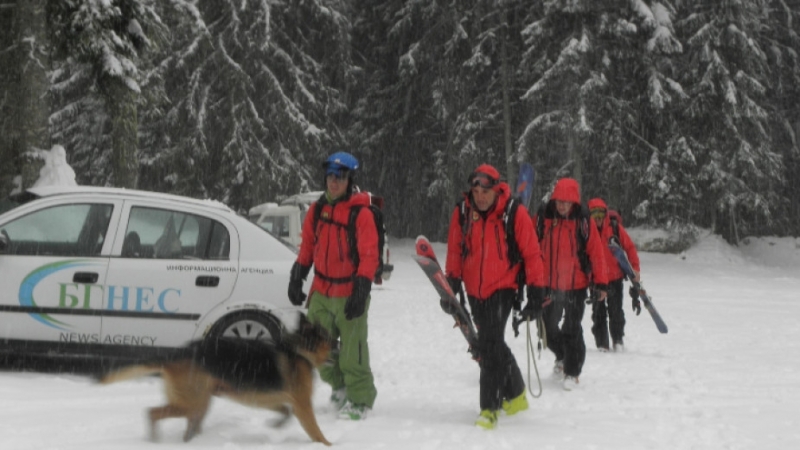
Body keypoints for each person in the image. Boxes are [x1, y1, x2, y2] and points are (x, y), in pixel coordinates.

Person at [444, 164, 546, 430]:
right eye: (476, 190)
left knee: (488, 347)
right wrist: (452, 281)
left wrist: (536, 292)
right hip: (474, 290)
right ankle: (516, 395)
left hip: (503, 288)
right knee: (494, 343)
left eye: (485, 191)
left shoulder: (514, 213)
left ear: (496, 189)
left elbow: (532, 254)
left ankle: (489, 408)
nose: (480, 196)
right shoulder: (463, 212)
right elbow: (455, 249)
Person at [287, 151, 379, 421]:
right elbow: (308, 248)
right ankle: (339, 388)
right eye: (330, 176)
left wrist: (361, 290)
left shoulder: (361, 214)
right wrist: (297, 275)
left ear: (349, 179)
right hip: (322, 292)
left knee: (353, 352)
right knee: (316, 347)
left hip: (350, 292)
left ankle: (360, 400)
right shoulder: (317, 210)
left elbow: (369, 255)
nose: (333, 182)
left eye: (339, 177)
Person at [534, 178, 609, 390]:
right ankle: (562, 355)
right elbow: (530, 245)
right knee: (546, 329)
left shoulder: (583, 221)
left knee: (571, 327)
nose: (562, 206)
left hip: (576, 285)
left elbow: (596, 253)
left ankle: (572, 371)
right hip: (548, 284)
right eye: (559, 201)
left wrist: (601, 282)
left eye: (567, 202)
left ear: (574, 202)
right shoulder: (544, 217)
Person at [587, 198, 641, 352]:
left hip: (615, 277)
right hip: (596, 280)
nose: (597, 217)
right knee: (598, 313)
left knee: (616, 311)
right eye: (594, 213)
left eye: (600, 213)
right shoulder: (586, 231)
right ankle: (602, 343)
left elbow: (630, 248)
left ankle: (617, 339)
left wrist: (635, 269)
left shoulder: (615, 228)